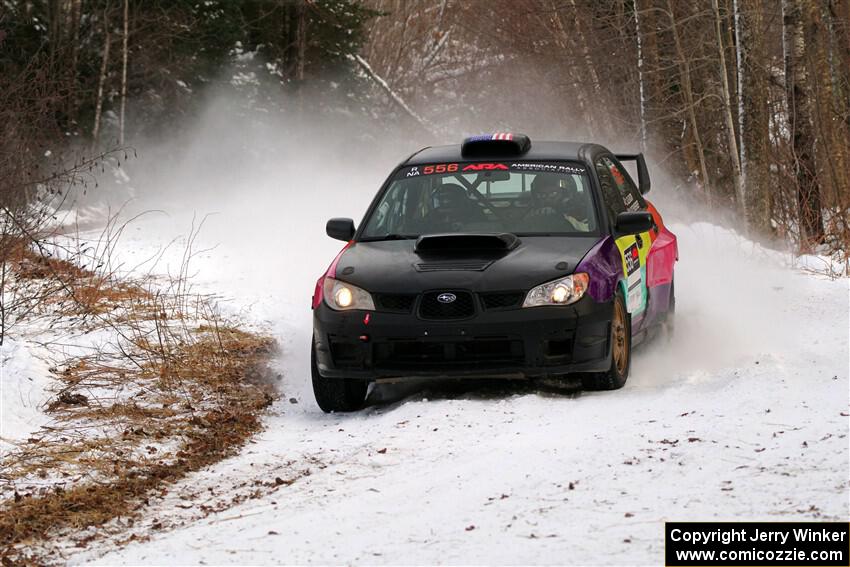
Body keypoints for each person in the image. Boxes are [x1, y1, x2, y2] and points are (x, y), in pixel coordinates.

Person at [525, 173, 589, 232]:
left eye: (553, 193)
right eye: (542, 195)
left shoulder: (581, 210)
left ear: (565, 194)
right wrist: (534, 217)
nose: (547, 199)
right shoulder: (531, 213)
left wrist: (562, 217)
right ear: (536, 197)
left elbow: (588, 230)